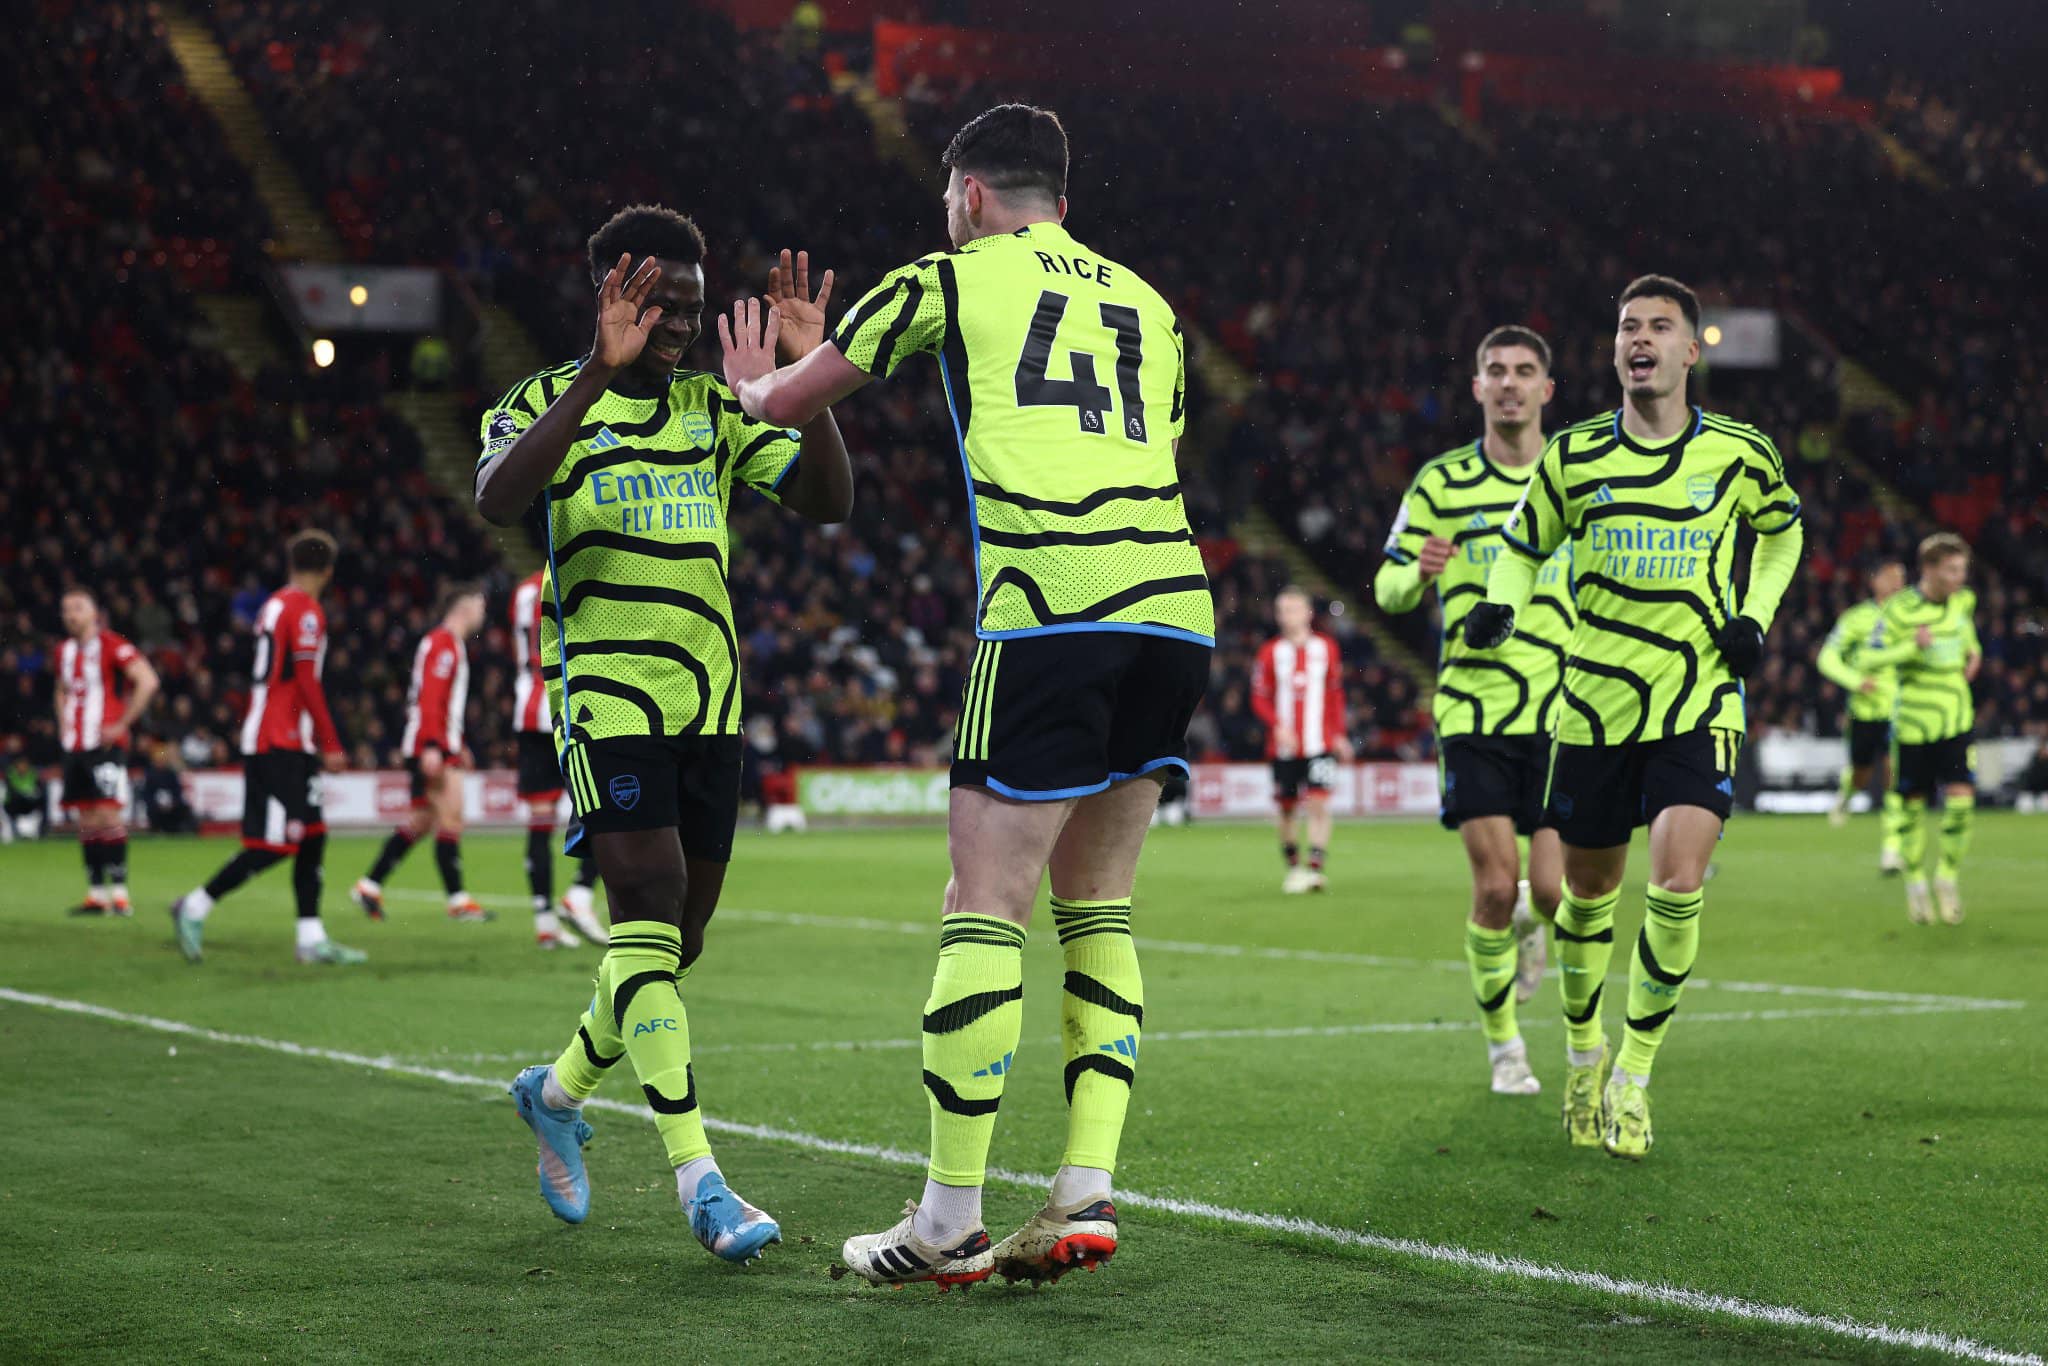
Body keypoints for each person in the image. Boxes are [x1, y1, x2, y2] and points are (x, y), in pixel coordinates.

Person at [720, 104, 1211, 1288]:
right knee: (1098, 906)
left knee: (982, 903)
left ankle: (946, 1221)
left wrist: (756, 376)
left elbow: (783, 408)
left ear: (970, 194)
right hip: (1173, 610)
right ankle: (1083, 1187)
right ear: (1060, 198)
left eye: (949, 195)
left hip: (1048, 607)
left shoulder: (943, 277)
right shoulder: (1151, 306)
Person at [474, 205, 852, 1264]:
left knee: (672, 945)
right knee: (643, 917)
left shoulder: (714, 408)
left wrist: (807, 377)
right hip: (607, 700)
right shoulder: (542, 401)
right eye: (660, 307)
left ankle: (554, 1094)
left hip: (710, 705)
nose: (681, 325)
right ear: (610, 296)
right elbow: (499, 500)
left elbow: (829, 501)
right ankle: (702, 1182)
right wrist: (596, 374)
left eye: (693, 307)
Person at [1465, 275, 1804, 1159]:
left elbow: (1784, 532)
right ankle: (1584, 1053)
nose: (1640, 338)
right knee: (1587, 897)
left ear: (1690, 350)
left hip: (1698, 696)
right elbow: (1522, 546)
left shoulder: (1740, 452)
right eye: (1627, 327)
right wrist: (1501, 603)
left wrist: (1754, 616)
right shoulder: (1574, 456)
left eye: (1659, 326)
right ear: (1615, 350)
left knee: (1680, 883)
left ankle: (1634, 1075)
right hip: (1594, 706)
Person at [1375, 325, 1570, 1096]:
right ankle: (1505, 1049)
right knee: (1494, 886)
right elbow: (1388, 589)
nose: (1510, 382)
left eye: (1524, 371)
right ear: (1479, 387)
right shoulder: (1441, 483)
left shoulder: (1571, 478)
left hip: (1561, 712)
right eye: (1496, 370)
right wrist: (1417, 573)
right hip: (1473, 709)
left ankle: (1531, 926)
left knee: (1551, 892)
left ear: (1546, 389)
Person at [172, 531, 364, 965]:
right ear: (328, 571)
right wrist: (331, 742)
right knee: (274, 843)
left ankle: (310, 938)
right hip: (279, 740)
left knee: (312, 836)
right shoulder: (305, 610)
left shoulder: (273, 604)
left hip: (279, 735)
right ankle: (195, 905)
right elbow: (306, 680)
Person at [1862, 534, 1980, 924]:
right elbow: (1869, 658)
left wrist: (1974, 653)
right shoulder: (1899, 609)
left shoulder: (1963, 601)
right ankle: (1915, 884)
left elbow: (1967, 637)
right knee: (1913, 812)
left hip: (1956, 719)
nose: (1960, 577)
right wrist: (1911, 647)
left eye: (1962, 569)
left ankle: (1946, 878)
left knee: (1961, 804)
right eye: (1952, 570)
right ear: (1928, 569)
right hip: (1913, 725)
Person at [352, 586, 488, 922]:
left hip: (437, 742)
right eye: (479, 606)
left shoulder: (446, 643)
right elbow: (431, 697)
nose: (483, 614)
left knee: (422, 821)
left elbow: (440, 702)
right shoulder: (443, 643)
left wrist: (458, 743)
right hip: (432, 745)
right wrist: (433, 747)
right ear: (464, 607)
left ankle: (369, 886)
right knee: (452, 816)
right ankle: (458, 900)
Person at [510, 568, 608, 947]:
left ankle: (545, 922)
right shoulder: (572, 574)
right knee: (604, 801)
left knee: (539, 820)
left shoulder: (523, 590)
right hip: (569, 707)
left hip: (528, 709)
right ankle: (580, 894)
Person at [55, 587, 159, 915]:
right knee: (86, 819)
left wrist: (122, 724)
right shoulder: (63, 651)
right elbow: (61, 689)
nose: (71, 615)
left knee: (108, 814)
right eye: (66, 609)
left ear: (94, 613)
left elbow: (148, 680)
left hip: (105, 744)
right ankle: (97, 895)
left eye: (77, 608)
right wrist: (63, 723)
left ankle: (121, 895)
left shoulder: (113, 645)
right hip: (75, 745)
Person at [1251, 587, 1353, 893]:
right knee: (1287, 808)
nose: (1286, 616)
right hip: (1284, 747)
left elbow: (1335, 694)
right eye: (1282, 610)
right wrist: (1277, 726)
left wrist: (1339, 734)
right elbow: (1259, 697)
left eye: (1292, 609)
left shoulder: (1327, 648)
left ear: (1307, 613)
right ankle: (1294, 868)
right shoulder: (1269, 652)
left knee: (1319, 803)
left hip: (1319, 744)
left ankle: (1315, 868)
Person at [1817, 559, 1907, 871]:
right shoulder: (1856, 618)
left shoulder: (1913, 618)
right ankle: (1846, 795)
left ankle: (1892, 849)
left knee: (1894, 774)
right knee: (1861, 774)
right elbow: (1827, 658)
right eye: (1890, 576)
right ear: (1874, 581)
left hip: (1900, 709)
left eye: (1901, 577)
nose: (1897, 583)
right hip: (1864, 710)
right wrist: (1855, 681)